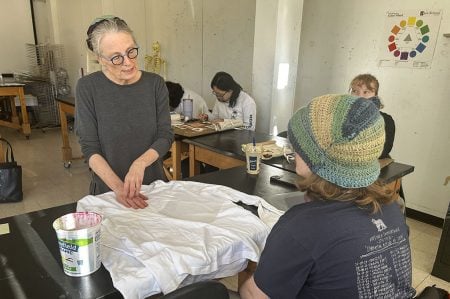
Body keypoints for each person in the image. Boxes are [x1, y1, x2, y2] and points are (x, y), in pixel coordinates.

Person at [239, 94, 415, 298]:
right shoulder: (393, 208)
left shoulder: (302, 226)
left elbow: (254, 295)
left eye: (297, 145)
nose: (293, 150)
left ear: (314, 156)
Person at [75, 16, 174, 209]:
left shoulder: (154, 84)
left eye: (131, 51)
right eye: (116, 57)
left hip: (152, 190)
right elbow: (90, 148)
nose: (128, 62)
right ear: (99, 58)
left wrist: (140, 164)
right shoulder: (88, 88)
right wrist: (119, 189)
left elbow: (165, 135)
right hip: (109, 194)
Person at [349, 73, 395, 159]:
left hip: (373, 164)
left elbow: (384, 150)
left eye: (366, 92)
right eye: (355, 91)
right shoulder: (341, 116)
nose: (359, 96)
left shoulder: (386, 120)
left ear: (375, 95)